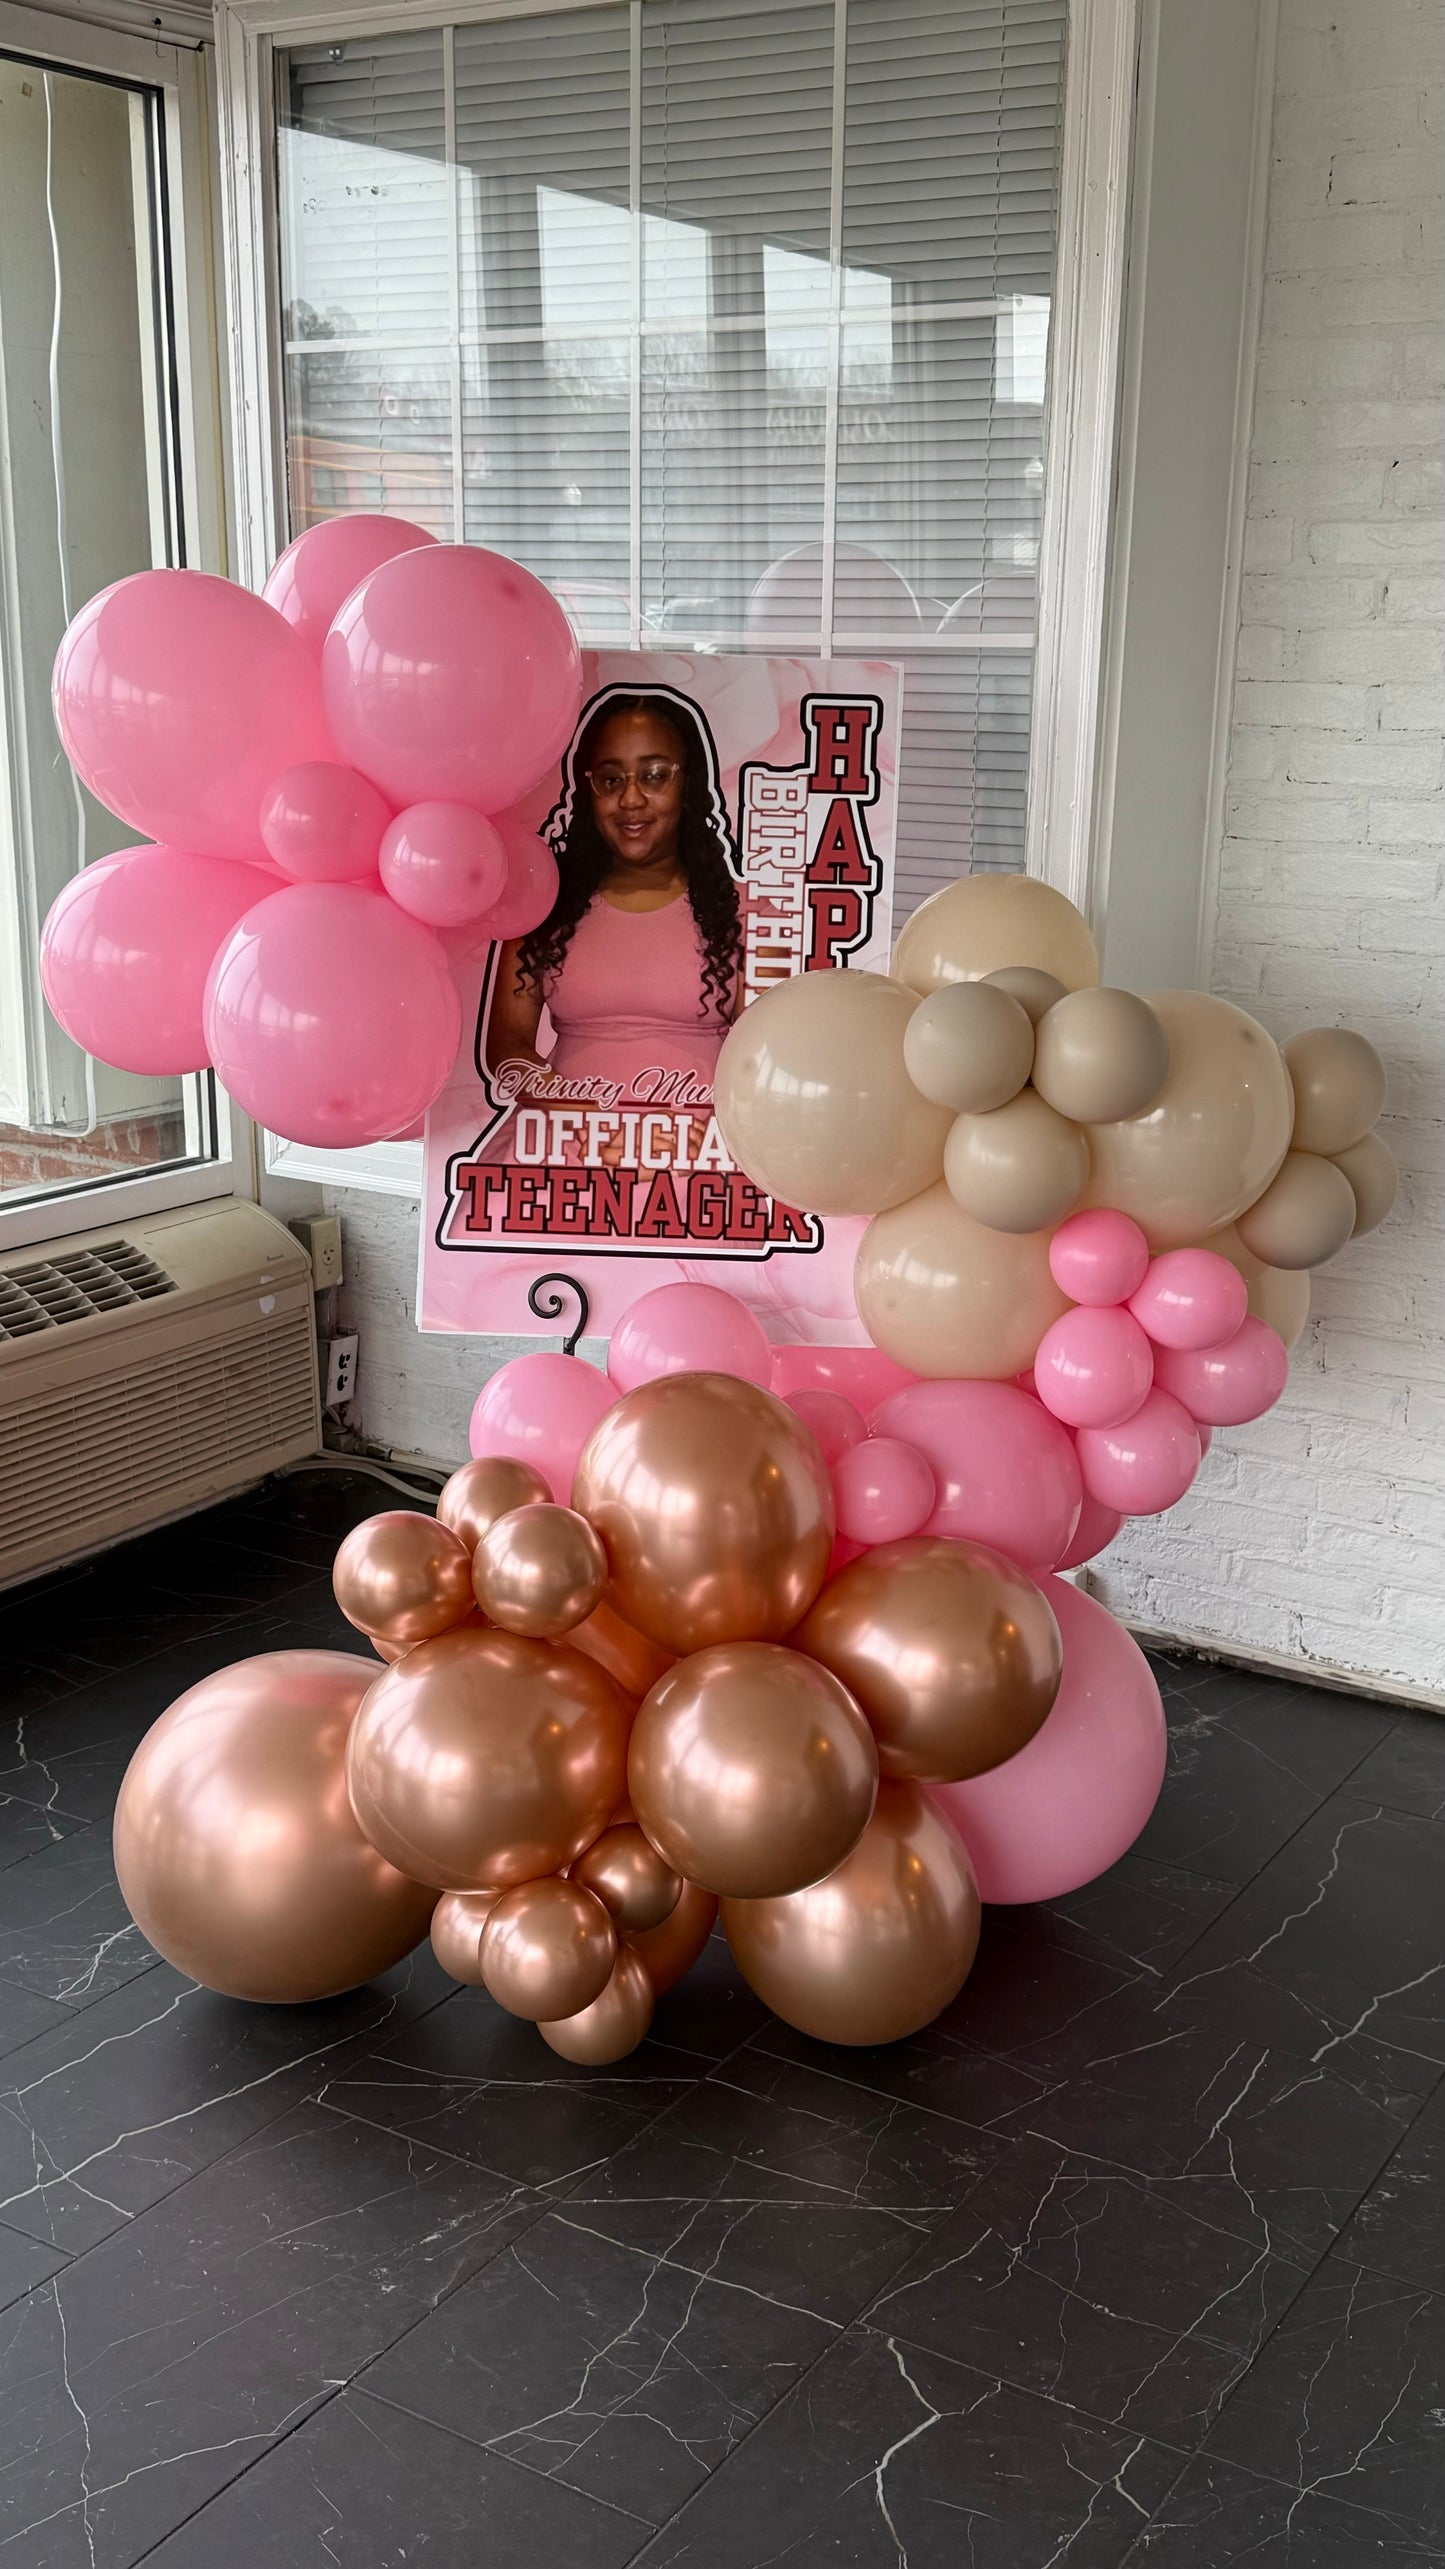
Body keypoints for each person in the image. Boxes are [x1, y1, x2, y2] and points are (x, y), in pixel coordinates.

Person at [486, 689, 742, 1092]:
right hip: (563, 1143)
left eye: (655, 775)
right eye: (610, 779)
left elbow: (760, 1057)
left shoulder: (741, 910)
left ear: (689, 783)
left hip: (700, 1145)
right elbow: (506, 1045)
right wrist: (581, 1120)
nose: (631, 798)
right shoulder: (543, 902)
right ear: (589, 791)